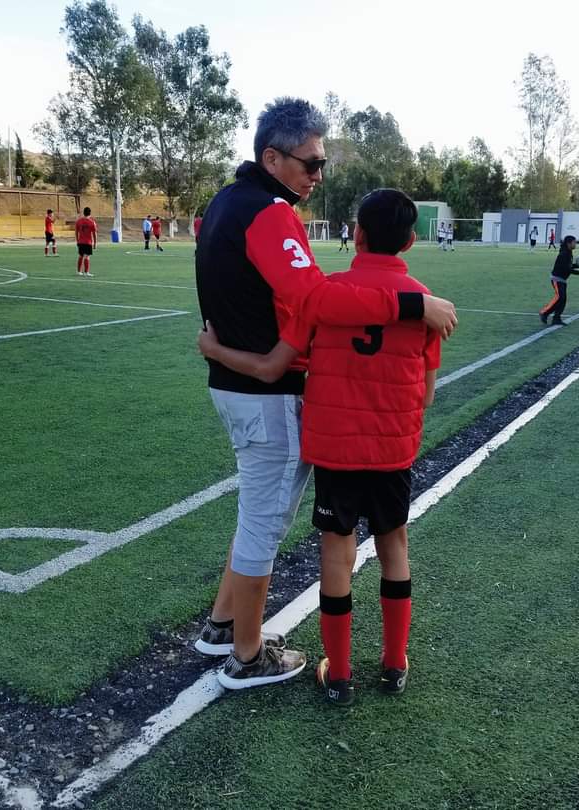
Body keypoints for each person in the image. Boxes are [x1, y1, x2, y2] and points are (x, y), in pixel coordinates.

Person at [192, 97, 457, 690]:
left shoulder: (227, 203)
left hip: (243, 381)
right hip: (265, 391)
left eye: (321, 165)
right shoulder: (267, 212)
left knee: (260, 514)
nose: (317, 175)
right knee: (264, 522)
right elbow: (316, 300)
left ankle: (221, 625)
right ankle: (247, 656)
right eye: (310, 163)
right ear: (271, 158)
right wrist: (416, 305)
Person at [539, 236, 579, 325]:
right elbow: (566, 269)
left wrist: (578, 265)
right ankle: (544, 313)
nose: (575, 244)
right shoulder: (564, 254)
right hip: (557, 279)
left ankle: (556, 318)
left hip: (562, 280)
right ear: (569, 243)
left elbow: (568, 266)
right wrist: (578, 273)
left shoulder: (568, 252)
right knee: (559, 297)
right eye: (574, 242)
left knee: (562, 299)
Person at [75, 206, 97, 276]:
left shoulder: (78, 221)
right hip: (88, 242)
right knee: (87, 256)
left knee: (80, 256)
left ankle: (78, 271)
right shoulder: (92, 222)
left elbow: (76, 232)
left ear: (83, 213)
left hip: (80, 241)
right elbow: (94, 234)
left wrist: (77, 240)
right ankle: (86, 272)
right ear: (90, 213)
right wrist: (95, 243)